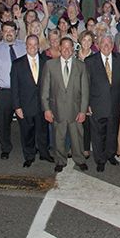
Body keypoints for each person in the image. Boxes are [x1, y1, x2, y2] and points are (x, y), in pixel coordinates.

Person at [42, 37, 89, 172]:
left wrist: (83, 111)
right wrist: (47, 109)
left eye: (70, 47)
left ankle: (80, 159)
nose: (67, 50)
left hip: (76, 110)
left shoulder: (81, 66)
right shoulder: (50, 65)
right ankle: (60, 160)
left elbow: (85, 91)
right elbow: (45, 89)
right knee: (58, 137)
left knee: (77, 138)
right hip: (57, 109)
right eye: (64, 47)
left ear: (73, 49)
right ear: (60, 48)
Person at [11, 35, 53, 167]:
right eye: (30, 45)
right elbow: (15, 87)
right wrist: (17, 107)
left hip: (42, 105)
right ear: (26, 46)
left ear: (38, 46)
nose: (33, 47)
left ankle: (44, 153)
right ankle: (29, 156)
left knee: (43, 131)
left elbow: (51, 84)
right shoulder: (17, 64)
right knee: (27, 132)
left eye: (35, 45)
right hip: (25, 105)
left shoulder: (46, 61)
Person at [85, 34, 120, 172]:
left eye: (109, 43)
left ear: (113, 45)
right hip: (97, 104)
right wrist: (87, 104)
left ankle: (110, 155)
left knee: (112, 132)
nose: (106, 46)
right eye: (103, 43)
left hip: (115, 104)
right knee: (98, 134)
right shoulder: (90, 61)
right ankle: (100, 160)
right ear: (98, 45)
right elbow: (86, 85)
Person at [0, 21, 26, 159]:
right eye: (6, 31)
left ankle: (28, 147)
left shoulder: (25, 47)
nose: (9, 33)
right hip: (3, 92)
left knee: (25, 121)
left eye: (11, 30)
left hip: (21, 91)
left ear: (16, 31)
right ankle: (5, 148)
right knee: (3, 122)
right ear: (2, 33)